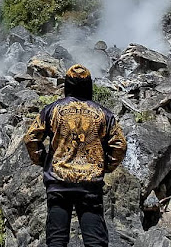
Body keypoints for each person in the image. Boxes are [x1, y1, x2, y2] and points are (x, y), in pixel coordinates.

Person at [23, 64, 127, 247]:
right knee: (95, 241)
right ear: (89, 86)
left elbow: (31, 138)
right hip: (90, 185)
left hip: (58, 181)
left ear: (67, 86)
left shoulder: (52, 110)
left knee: (56, 240)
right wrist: (106, 165)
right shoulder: (103, 114)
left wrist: (43, 160)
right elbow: (120, 145)